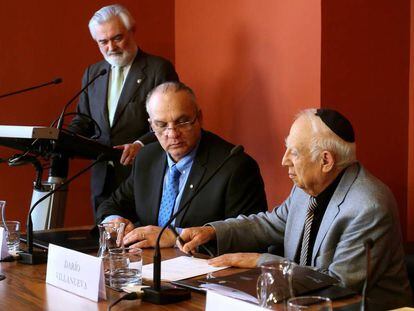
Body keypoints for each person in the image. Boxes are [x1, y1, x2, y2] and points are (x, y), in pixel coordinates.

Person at [179, 108, 412, 310]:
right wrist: (213, 232)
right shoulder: (305, 188)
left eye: (295, 152)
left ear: (326, 161)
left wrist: (262, 262)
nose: (284, 160)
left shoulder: (368, 207)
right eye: (286, 148)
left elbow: (337, 285)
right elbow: (271, 223)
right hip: (296, 304)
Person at [96, 81, 267, 249]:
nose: (172, 133)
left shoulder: (235, 166)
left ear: (199, 118)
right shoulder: (147, 158)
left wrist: (176, 237)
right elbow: (112, 204)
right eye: (161, 125)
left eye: (182, 121)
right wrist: (114, 221)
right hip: (148, 265)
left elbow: (248, 238)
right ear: (151, 126)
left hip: (206, 271)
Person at [68, 4, 179, 216]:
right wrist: (59, 139)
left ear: (132, 31)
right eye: (103, 42)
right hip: (102, 179)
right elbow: (83, 122)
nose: (111, 47)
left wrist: (140, 144)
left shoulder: (158, 69)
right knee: (103, 240)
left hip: (142, 175)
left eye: (117, 38)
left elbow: (169, 123)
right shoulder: (93, 73)